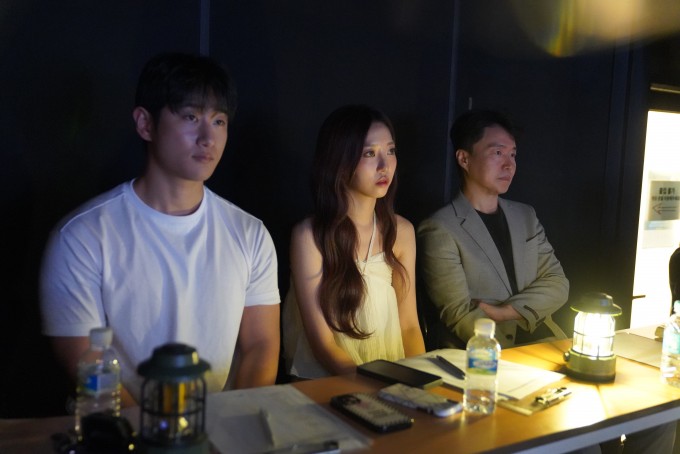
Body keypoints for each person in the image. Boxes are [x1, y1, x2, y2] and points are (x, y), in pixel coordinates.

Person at [40, 52, 281, 407]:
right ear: (145, 123)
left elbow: (261, 345)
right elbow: (87, 362)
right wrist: (156, 430)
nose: (208, 137)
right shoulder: (82, 236)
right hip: (123, 429)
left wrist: (234, 421)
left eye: (219, 121)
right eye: (191, 117)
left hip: (221, 427)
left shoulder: (250, 234)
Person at [282, 105, 425, 379]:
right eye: (369, 153)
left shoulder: (401, 231)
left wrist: (419, 381)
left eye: (391, 151)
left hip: (391, 378)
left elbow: (409, 327)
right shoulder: (309, 236)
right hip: (325, 383)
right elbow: (322, 342)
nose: (384, 165)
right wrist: (368, 386)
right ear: (340, 160)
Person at [417, 109, 569, 348]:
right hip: (480, 352)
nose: (509, 165)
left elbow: (558, 284)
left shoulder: (525, 216)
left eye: (513, 154)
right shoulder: (439, 228)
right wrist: (504, 355)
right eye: (498, 153)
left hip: (544, 342)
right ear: (464, 159)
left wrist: (505, 312)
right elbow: (459, 314)